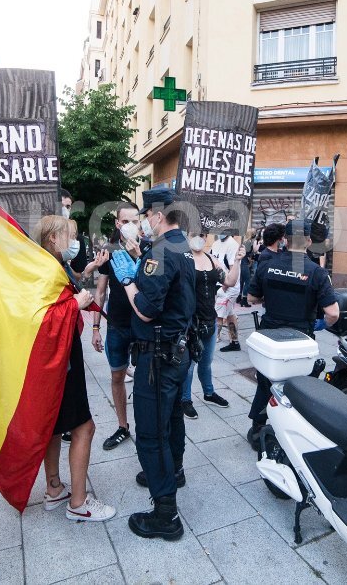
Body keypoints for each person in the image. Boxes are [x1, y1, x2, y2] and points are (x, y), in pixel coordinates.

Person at [108, 188, 195, 541]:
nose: (143, 221)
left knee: (149, 432)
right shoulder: (182, 246)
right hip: (176, 349)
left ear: (158, 215)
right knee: (172, 417)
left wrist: (129, 281)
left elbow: (145, 307)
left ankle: (165, 514)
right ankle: (173, 471)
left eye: (145, 215)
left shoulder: (160, 251)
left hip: (157, 356)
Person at [33, 215, 116, 522]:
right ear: (52, 238)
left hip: (57, 358)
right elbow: (43, 316)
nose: (75, 242)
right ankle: (79, 503)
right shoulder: (45, 269)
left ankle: (54, 488)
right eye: (71, 235)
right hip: (61, 361)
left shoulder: (48, 265)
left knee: (54, 426)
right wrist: (75, 304)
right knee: (84, 427)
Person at [245, 218, 340, 449]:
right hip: (300, 338)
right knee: (298, 384)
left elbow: (251, 298)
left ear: (285, 240)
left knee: (266, 381)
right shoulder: (316, 272)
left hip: (271, 335)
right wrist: (322, 323)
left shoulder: (267, 265)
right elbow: (333, 313)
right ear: (308, 241)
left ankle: (259, 427)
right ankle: (293, 427)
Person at [92, 203, 141, 451]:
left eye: (136, 220)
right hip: (117, 325)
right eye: (126, 221)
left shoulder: (150, 251)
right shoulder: (109, 251)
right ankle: (123, 426)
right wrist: (95, 328)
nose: (131, 225)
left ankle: (145, 427)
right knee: (117, 376)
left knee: (146, 378)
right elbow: (100, 292)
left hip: (143, 325)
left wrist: (139, 256)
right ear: (118, 224)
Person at [180, 231, 241, 419]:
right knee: (188, 365)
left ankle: (208, 393)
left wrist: (237, 260)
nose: (199, 237)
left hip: (209, 320)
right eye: (194, 234)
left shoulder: (212, 259)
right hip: (190, 323)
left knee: (206, 363)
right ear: (187, 235)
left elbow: (229, 281)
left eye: (202, 234)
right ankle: (185, 400)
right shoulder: (183, 259)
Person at [211, 232, 242, 351]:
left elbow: (232, 268)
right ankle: (235, 342)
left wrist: (224, 287)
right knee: (230, 315)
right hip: (221, 285)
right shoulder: (215, 244)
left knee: (218, 315)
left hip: (228, 287)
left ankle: (212, 341)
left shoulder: (233, 245)